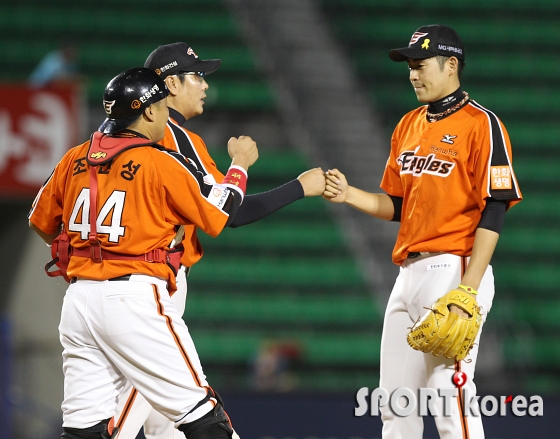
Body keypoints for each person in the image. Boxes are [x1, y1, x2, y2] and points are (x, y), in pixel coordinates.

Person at [28, 67, 258, 439]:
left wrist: (87, 244)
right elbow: (217, 217)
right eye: (164, 108)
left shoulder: (74, 158)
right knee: (202, 415)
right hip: (133, 297)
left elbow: (40, 223)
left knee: (84, 428)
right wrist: (239, 168)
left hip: (79, 301)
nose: (167, 115)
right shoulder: (160, 161)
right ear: (149, 112)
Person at [112, 43, 326, 439]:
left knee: (165, 423)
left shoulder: (117, 138)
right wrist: (294, 184)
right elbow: (230, 213)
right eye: (197, 76)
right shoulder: (177, 139)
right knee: (142, 406)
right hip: (152, 280)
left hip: (116, 279)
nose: (205, 86)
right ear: (170, 84)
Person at [323, 24, 522, 439]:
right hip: (408, 272)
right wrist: (349, 195)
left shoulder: (481, 124)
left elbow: (496, 206)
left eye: (420, 64)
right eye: (410, 66)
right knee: (395, 403)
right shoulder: (408, 125)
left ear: (451, 65)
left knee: (448, 398)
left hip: (454, 267)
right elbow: (399, 204)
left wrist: (467, 289)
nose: (413, 73)